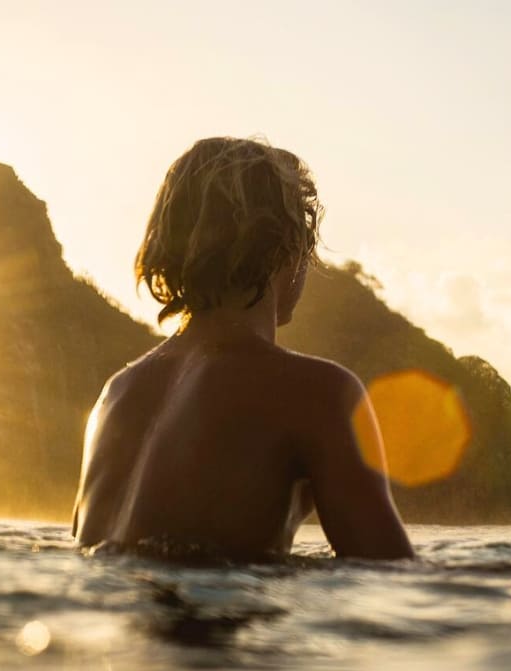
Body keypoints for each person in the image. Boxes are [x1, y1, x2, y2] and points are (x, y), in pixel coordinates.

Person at [72, 137, 413, 561]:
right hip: (220, 619)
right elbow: (391, 572)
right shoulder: (318, 393)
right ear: (286, 249)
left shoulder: (115, 394)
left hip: (116, 618)